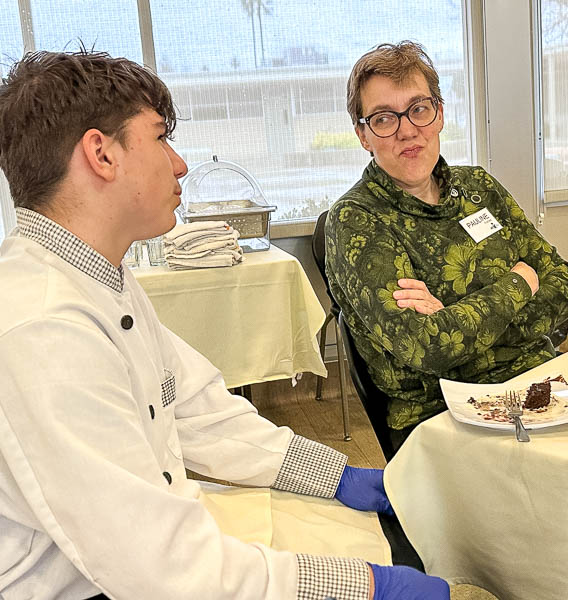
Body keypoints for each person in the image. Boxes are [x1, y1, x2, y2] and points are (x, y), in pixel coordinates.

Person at [0, 50, 450, 600]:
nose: (180, 163)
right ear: (101, 154)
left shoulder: (98, 278)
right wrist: (365, 587)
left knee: (374, 535)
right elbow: (161, 567)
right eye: (161, 137)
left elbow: (198, 412)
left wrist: (334, 476)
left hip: (146, 554)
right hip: (88, 586)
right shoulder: (41, 328)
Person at [325, 41, 568, 452]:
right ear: (363, 135)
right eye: (384, 118)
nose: (408, 129)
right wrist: (520, 282)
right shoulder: (356, 221)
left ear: (439, 113)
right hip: (444, 418)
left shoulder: (479, 188)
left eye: (419, 109)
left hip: (541, 384)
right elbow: (428, 347)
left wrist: (456, 320)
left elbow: (563, 291)